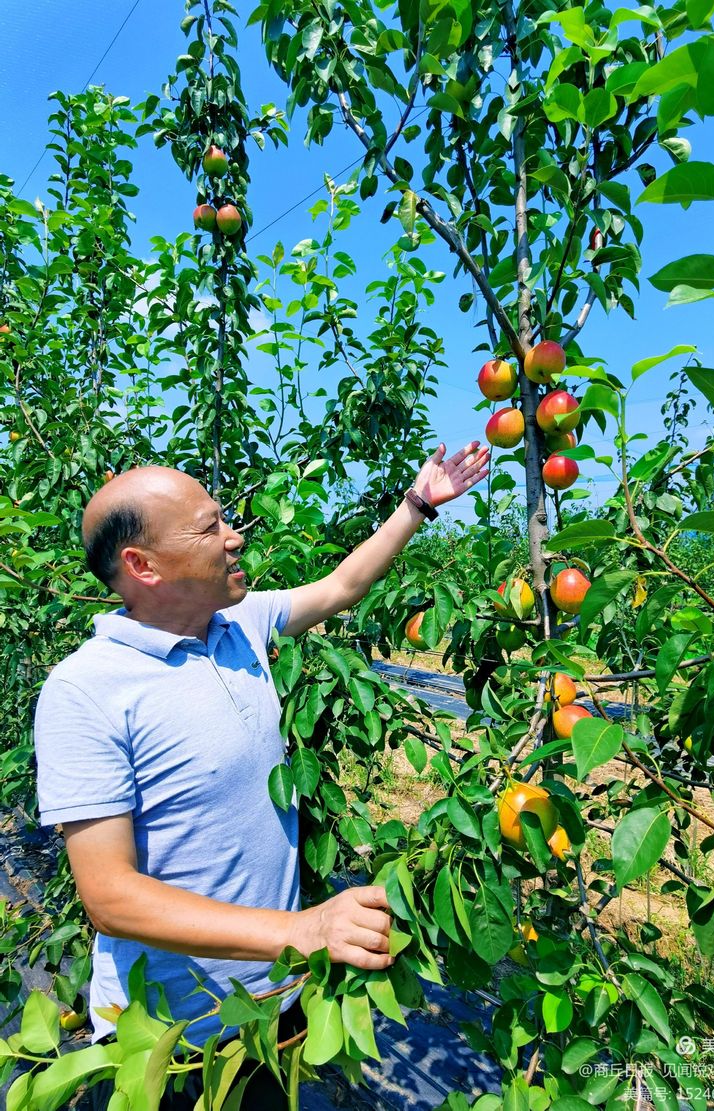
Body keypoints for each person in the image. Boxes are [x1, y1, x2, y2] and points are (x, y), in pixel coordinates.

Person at [34, 441, 489, 1108]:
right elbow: (110, 895)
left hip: (270, 1007)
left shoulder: (239, 623)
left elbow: (341, 586)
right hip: (171, 1040)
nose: (235, 537)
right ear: (143, 564)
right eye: (211, 526)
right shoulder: (85, 690)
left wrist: (417, 503)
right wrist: (300, 930)